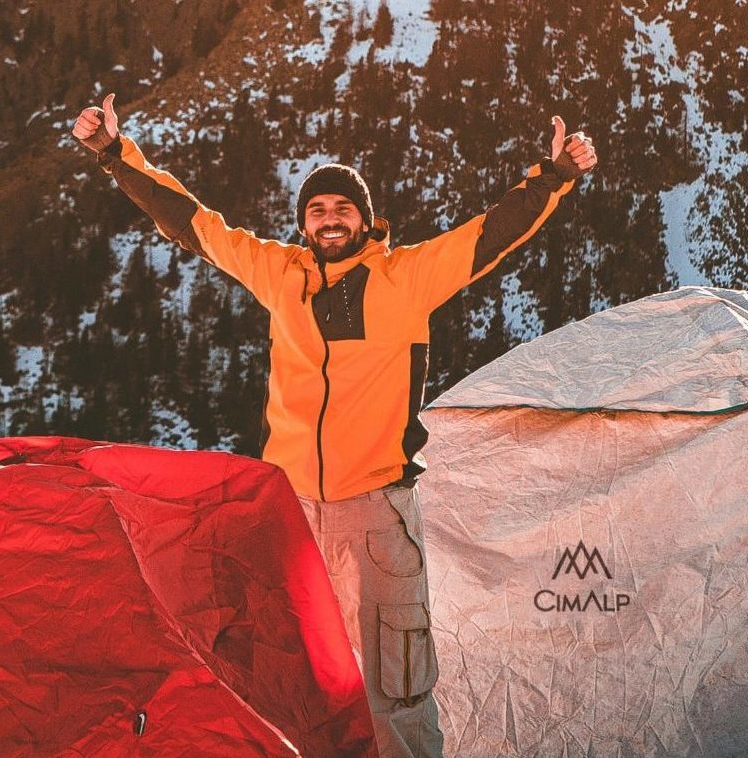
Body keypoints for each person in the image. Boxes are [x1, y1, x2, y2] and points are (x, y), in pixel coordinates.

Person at [72, 94, 597, 757]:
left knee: (395, 683)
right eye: (317, 209)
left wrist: (553, 176)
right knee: (299, 679)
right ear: (302, 223)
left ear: (366, 220)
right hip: (289, 514)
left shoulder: (406, 279)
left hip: (377, 510)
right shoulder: (278, 274)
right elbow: (193, 224)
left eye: (342, 208)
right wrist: (117, 154)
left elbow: (489, 234)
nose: (329, 218)